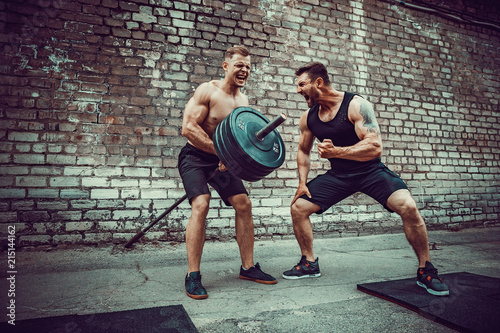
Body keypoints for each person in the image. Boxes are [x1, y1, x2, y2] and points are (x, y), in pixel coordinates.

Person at [282, 62, 449, 296]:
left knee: (408, 206)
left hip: (371, 172)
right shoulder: (308, 118)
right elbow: (303, 150)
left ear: (318, 82)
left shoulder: (356, 105)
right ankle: (309, 262)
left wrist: (336, 152)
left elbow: (374, 147)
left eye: (302, 85)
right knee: (298, 207)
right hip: (340, 175)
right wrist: (302, 183)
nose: (298, 90)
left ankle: (426, 269)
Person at [178, 46, 277, 300]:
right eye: (239, 65)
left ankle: (248, 267)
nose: (244, 70)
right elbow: (189, 128)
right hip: (195, 158)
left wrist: (234, 159)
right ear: (226, 66)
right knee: (201, 203)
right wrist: (220, 153)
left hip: (221, 161)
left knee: (243, 204)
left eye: (248, 66)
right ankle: (193, 275)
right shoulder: (207, 91)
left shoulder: (242, 102)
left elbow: (239, 140)